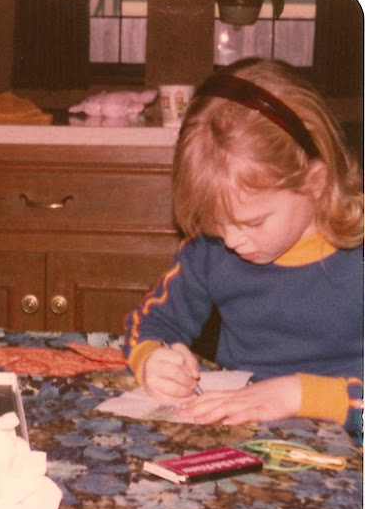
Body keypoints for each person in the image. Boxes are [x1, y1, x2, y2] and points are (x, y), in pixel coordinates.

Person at [123, 58, 363, 440]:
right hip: (247, 439)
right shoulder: (214, 249)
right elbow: (150, 322)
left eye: (253, 223)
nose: (232, 241)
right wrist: (152, 358)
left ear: (315, 182)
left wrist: (300, 396)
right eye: (217, 223)